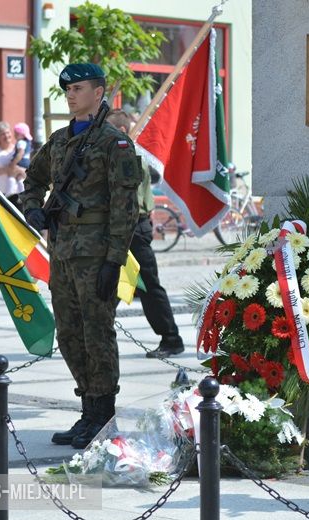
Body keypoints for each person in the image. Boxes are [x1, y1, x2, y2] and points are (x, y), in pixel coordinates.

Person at [20, 63, 140, 449]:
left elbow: (126, 208)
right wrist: (32, 208)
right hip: (63, 251)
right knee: (70, 333)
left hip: (96, 254)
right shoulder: (58, 141)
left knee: (97, 334)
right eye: (67, 89)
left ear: (99, 92)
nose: (71, 94)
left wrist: (113, 261)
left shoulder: (114, 144)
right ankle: (87, 411)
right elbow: (33, 179)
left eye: (79, 88)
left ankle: (103, 416)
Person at [106, 109, 185, 359]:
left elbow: (129, 200)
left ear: (121, 131)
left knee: (148, 285)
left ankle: (171, 338)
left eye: (107, 130)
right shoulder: (115, 154)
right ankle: (96, 332)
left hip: (132, 228)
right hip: (120, 227)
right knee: (110, 281)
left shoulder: (129, 155)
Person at [0, 122, 24, 210]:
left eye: (8, 132)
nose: (6, 136)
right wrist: (6, 170)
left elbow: (27, 172)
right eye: (3, 134)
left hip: (17, 195)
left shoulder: (18, 150)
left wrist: (19, 170)